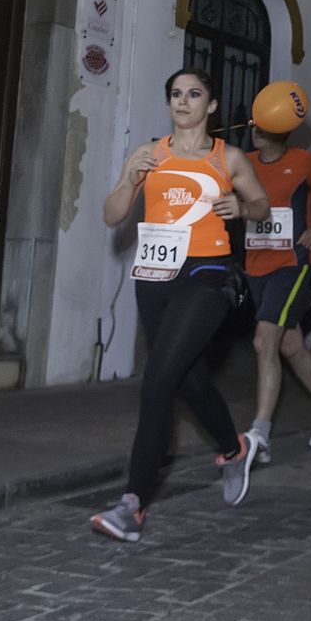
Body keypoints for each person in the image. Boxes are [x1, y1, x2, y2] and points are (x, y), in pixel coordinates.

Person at [90, 68, 271, 543]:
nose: (183, 102)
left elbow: (262, 206)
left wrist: (242, 209)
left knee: (158, 380)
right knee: (188, 380)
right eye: (176, 94)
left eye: (194, 95)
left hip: (207, 275)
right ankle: (235, 449)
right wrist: (129, 180)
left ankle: (133, 504)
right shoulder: (150, 154)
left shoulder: (228, 157)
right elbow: (112, 215)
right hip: (154, 277)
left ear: (211, 105)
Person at [241, 115, 311, 463]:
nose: (255, 130)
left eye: (264, 124)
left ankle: (260, 435)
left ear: (283, 128)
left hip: (293, 264)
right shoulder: (245, 164)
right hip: (256, 266)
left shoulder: (306, 162)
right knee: (292, 345)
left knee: (263, 341)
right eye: (253, 124)